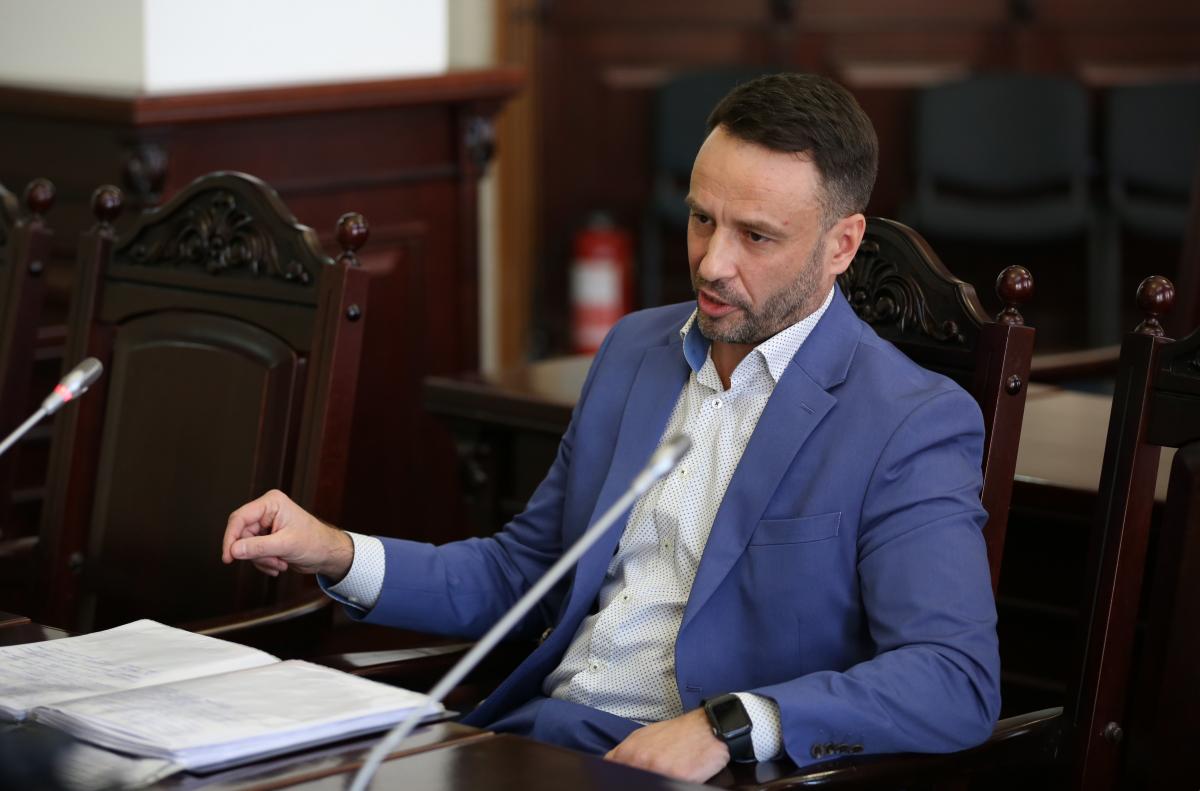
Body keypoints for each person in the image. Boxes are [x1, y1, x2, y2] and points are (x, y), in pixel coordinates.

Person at [222, 72, 1000, 784]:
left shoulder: (909, 420)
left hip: (691, 770)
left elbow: (953, 678)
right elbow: (523, 574)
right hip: (533, 737)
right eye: (701, 219)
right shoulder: (636, 350)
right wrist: (337, 550)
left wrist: (732, 725)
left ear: (842, 244)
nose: (712, 263)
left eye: (756, 236)